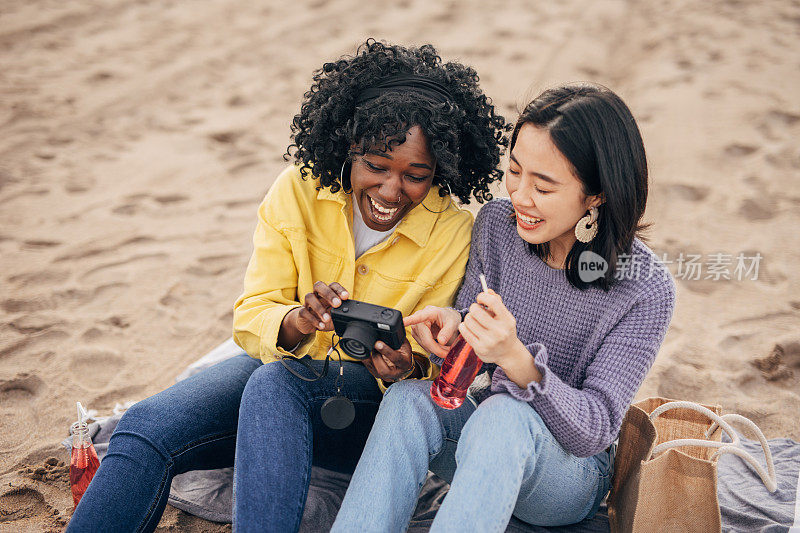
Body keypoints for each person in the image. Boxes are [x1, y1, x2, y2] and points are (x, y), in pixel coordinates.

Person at [66, 39, 508, 533]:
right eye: (375, 166)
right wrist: (297, 321)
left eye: (415, 176)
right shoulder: (297, 191)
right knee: (145, 429)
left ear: (440, 170)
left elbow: (433, 360)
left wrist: (408, 364)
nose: (390, 190)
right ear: (348, 149)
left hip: (364, 411)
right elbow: (253, 311)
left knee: (277, 384)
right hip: (276, 375)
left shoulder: (452, 230)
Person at [332, 83, 677, 532]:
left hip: (567, 475)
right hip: (480, 439)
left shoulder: (645, 288)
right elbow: (465, 369)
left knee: (505, 416)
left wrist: (517, 359)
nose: (519, 195)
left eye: (543, 186)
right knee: (406, 402)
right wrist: (453, 332)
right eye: (514, 172)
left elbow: (594, 430)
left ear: (597, 195)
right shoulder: (497, 225)